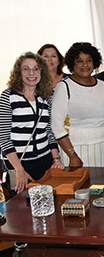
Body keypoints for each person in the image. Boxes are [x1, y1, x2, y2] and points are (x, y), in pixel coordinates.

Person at [0, 52, 64, 194]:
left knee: (49, 205)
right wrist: (19, 169)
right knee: (22, 210)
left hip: (46, 163)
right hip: (19, 163)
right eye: (26, 68)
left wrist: (56, 159)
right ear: (19, 72)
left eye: (36, 68)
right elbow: (3, 137)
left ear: (41, 72)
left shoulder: (46, 97)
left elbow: (48, 131)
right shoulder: (8, 96)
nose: (31, 73)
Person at [51, 42, 104, 168]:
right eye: (80, 61)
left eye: (89, 60)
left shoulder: (103, 85)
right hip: (76, 148)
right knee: (81, 187)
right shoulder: (64, 87)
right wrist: (72, 155)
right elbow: (56, 126)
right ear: (73, 64)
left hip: (103, 146)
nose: (85, 64)